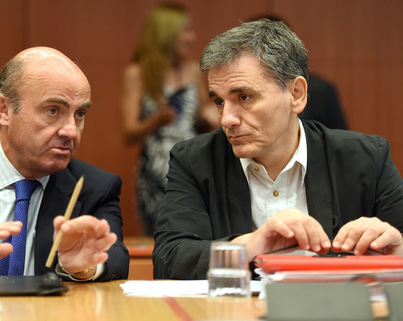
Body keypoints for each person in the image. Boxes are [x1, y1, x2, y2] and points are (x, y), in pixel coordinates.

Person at [152, 19, 403, 279]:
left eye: (244, 97)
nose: (226, 119)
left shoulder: (366, 158)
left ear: (296, 94)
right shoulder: (194, 160)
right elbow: (168, 260)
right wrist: (250, 245)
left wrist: (398, 250)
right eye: (218, 101)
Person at [0, 47, 129, 281]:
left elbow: (115, 255)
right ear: (4, 110)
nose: (70, 130)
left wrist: (84, 267)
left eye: (79, 114)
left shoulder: (94, 187)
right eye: (53, 110)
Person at [120, 3, 218, 236]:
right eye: (185, 31)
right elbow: (129, 132)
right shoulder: (138, 74)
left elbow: (204, 118)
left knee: (196, 232)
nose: (191, 37)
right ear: (167, 34)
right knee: (161, 237)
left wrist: (210, 117)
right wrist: (156, 120)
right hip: (155, 172)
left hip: (194, 165)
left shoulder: (194, 70)